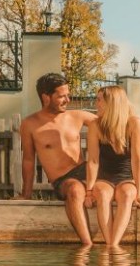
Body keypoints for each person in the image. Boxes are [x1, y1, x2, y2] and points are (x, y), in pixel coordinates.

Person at [18, 72, 97, 245]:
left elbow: (112, 123)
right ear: (46, 97)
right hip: (64, 180)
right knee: (75, 190)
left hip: (86, 172)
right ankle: (87, 245)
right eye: (62, 96)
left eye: (68, 95)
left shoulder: (77, 116)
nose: (68, 100)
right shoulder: (30, 124)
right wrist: (26, 194)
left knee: (112, 188)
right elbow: (28, 160)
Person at [86, 84, 140, 248]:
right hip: (104, 178)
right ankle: (110, 244)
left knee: (127, 195)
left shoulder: (134, 124)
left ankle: (113, 245)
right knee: (103, 194)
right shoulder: (95, 126)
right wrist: (89, 192)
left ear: (111, 102)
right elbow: (93, 161)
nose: (96, 104)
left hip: (126, 178)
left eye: (99, 100)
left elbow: (137, 160)